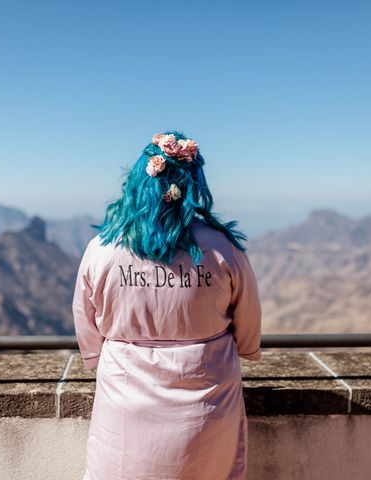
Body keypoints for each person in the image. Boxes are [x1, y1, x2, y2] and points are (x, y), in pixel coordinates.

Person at [72, 131, 262, 480]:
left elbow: (86, 317)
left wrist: (95, 356)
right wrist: (247, 348)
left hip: (125, 390)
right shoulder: (222, 248)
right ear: (193, 184)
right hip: (208, 391)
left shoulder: (102, 248)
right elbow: (247, 317)